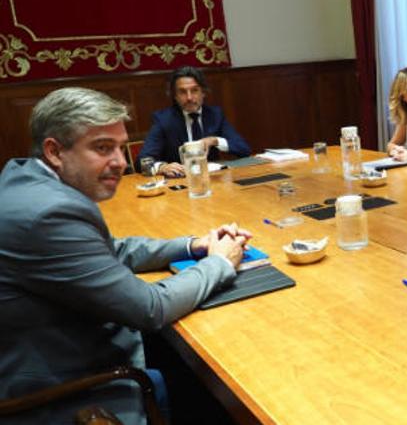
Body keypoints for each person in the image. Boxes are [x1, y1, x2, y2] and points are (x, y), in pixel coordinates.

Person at [0, 87, 250, 424]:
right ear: (55, 151)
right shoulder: (48, 213)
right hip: (69, 392)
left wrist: (193, 245)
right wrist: (219, 262)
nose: (121, 162)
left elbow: (112, 249)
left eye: (121, 147)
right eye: (103, 148)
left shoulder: (26, 179)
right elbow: (150, 307)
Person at [140, 66, 252, 178]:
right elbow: (143, 160)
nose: (189, 98)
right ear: (175, 96)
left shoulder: (215, 115)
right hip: (180, 183)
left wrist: (214, 140)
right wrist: (162, 167)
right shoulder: (163, 119)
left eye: (194, 90)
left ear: (203, 92)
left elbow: (243, 149)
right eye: (182, 92)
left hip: (213, 180)